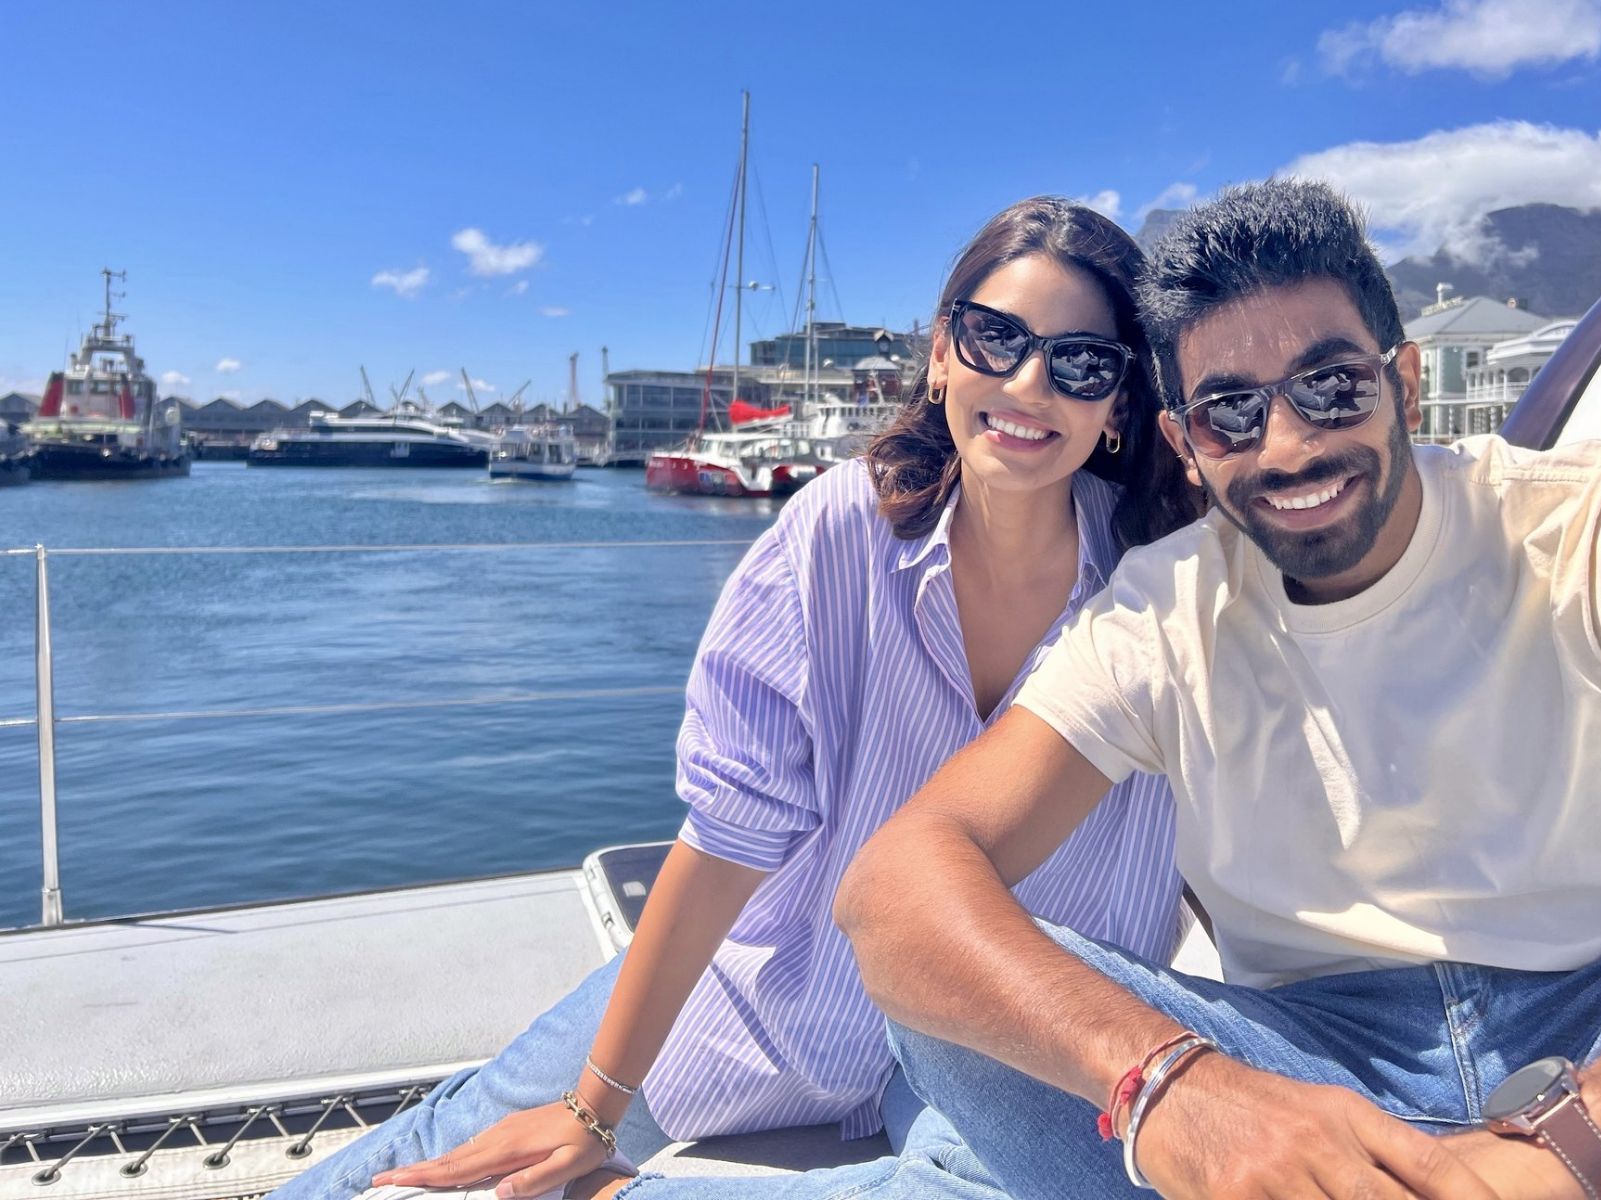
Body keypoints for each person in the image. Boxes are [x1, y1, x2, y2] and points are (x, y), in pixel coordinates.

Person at [836, 179, 1601, 1200]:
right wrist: (1174, 1086)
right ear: (1182, 442)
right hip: (1309, 1079)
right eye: (1231, 413)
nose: (1288, 444)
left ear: (1403, 381)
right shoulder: (1167, 611)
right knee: (953, 991)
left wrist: (1570, 1146)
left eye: (1331, 388)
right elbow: (898, 887)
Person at [267, 196, 1198, 1200]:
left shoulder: (1164, 584)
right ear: (941, 353)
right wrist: (591, 1110)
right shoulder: (836, 534)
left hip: (1003, 1039)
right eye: (994, 338)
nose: (1027, 383)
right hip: (773, 992)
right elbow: (727, 838)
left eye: (1080, 362)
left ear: (1117, 401)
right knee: (469, 1133)